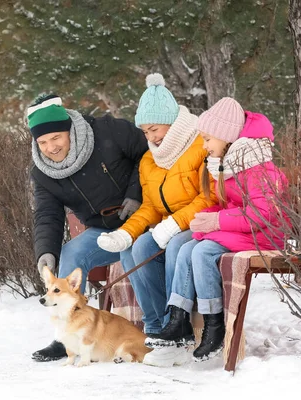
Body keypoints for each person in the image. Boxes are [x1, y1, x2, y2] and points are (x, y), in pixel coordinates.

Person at [153, 97, 288, 363]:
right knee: (187, 245)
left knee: (202, 251)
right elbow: (230, 206)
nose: (204, 146)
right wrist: (207, 217)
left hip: (265, 235)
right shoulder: (230, 165)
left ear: (226, 137)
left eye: (207, 139)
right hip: (246, 231)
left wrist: (216, 222)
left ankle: (214, 327)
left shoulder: (259, 169)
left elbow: (262, 214)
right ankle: (179, 316)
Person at [97, 73, 217, 367]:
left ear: (172, 121)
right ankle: (156, 329)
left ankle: (176, 330)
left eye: (154, 129)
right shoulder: (150, 160)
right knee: (135, 249)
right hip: (168, 225)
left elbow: (211, 197)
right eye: (145, 132)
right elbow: (150, 206)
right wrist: (126, 232)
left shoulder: (200, 145)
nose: (150, 138)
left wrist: (175, 223)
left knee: (175, 243)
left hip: (199, 222)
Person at [28, 94, 148, 362]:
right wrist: (45, 251)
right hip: (103, 231)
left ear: (69, 129)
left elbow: (149, 153)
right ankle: (67, 338)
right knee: (71, 254)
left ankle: (155, 329)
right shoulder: (42, 171)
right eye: (43, 142)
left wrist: (135, 193)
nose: (51, 147)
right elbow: (47, 213)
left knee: (134, 251)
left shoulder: (109, 131)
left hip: (145, 218)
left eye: (56, 138)